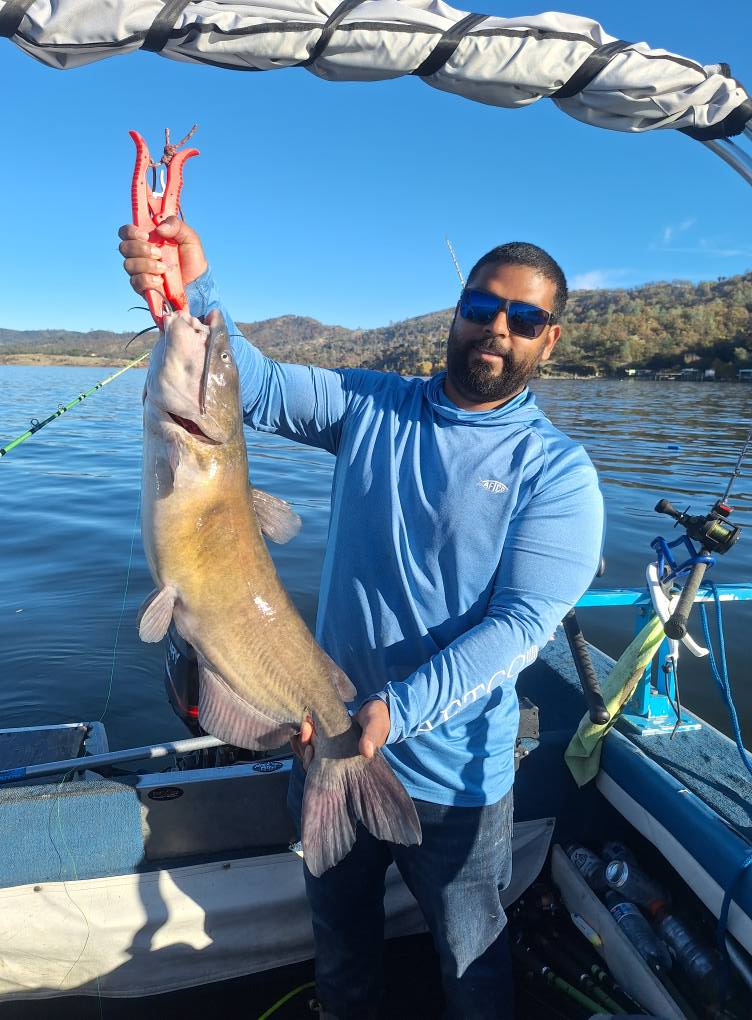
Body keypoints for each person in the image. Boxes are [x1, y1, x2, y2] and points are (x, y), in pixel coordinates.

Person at [119, 219, 604, 1020]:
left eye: (523, 318)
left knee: (471, 961)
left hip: (456, 780)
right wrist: (192, 287)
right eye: (482, 306)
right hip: (322, 739)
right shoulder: (373, 405)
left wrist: (394, 713)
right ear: (456, 311)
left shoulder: (557, 474)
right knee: (340, 951)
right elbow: (256, 388)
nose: (496, 328)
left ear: (548, 339)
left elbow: (519, 628)